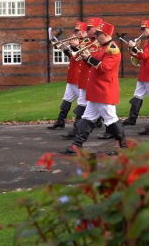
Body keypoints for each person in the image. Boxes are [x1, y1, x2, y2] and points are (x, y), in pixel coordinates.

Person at [61, 21, 126, 154]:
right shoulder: (101, 47)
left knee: (111, 119)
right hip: (96, 90)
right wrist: (84, 56)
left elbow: (104, 68)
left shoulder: (112, 49)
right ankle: (76, 145)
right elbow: (92, 63)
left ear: (106, 35)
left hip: (104, 90)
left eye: (98, 34)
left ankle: (123, 147)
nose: (96, 36)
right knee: (87, 118)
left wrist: (89, 57)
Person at [62, 17, 102, 139]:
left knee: (105, 108)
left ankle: (114, 132)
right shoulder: (88, 42)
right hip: (85, 78)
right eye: (87, 28)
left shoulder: (98, 44)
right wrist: (72, 48)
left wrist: (77, 47)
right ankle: (77, 131)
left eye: (89, 28)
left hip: (93, 78)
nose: (87, 30)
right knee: (86, 105)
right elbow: (77, 58)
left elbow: (93, 59)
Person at [47, 21, 88, 129]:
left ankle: (89, 122)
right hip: (72, 76)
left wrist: (76, 46)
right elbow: (72, 56)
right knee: (66, 99)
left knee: (84, 102)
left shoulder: (87, 42)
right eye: (76, 31)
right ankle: (60, 121)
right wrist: (64, 48)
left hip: (80, 77)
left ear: (85, 32)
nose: (77, 33)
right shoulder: (77, 41)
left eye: (79, 31)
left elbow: (83, 56)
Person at [120, 20, 149, 126]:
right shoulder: (147, 40)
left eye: (144, 29)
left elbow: (145, 56)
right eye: (141, 29)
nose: (142, 31)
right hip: (145, 72)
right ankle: (132, 118)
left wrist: (134, 47)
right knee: (138, 95)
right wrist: (132, 49)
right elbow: (140, 56)